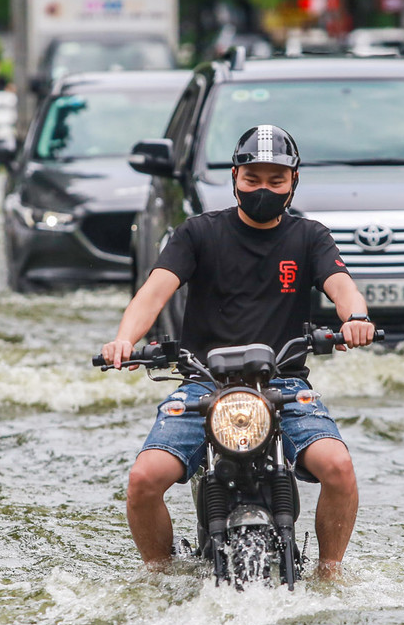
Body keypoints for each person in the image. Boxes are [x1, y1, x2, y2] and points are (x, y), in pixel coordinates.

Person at [99, 124, 375, 578]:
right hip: (202, 384)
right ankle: (159, 575)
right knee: (143, 480)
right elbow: (153, 292)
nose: (262, 188)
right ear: (234, 178)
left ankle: (330, 574)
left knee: (339, 467)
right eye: (252, 179)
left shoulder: (310, 237)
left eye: (275, 180)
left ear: (293, 182)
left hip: (283, 384)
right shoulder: (197, 234)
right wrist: (125, 339)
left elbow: (341, 285)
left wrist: (356, 320)